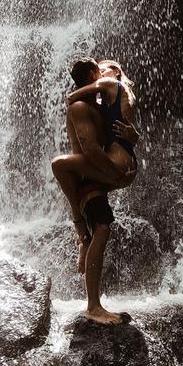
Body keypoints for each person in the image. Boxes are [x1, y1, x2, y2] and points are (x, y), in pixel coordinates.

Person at [51, 57, 140, 325]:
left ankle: (83, 239)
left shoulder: (100, 107)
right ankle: (93, 306)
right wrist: (115, 173)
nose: (104, 74)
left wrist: (133, 137)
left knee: (101, 229)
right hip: (90, 175)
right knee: (61, 167)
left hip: (95, 174)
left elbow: (119, 136)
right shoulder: (80, 106)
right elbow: (89, 150)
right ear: (93, 75)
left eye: (108, 69)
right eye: (99, 70)